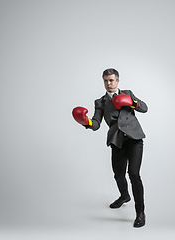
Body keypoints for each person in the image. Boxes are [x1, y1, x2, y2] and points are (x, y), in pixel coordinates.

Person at [72, 68, 148, 228]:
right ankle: (124, 196)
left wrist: (131, 102)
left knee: (134, 174)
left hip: (134, 139)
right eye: (106, 80)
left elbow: (144, 108)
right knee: (118, 175)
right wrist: (86, 122)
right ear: (103, 82)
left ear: (117, 81)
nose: (109, 83)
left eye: (111, 80)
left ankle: (140, 213)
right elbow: (96, 123)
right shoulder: (100, 102)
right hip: (117, 140)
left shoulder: (127, 93)